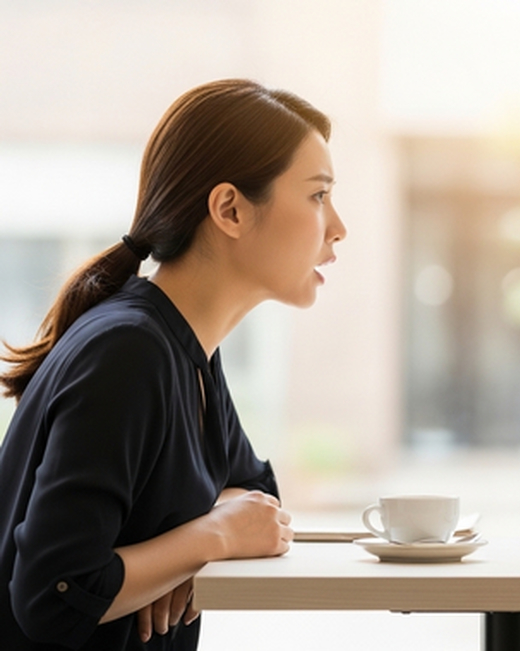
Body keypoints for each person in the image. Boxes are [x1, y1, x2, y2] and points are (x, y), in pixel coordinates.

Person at [0, 79, 346, 650]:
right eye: (318, 195)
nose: (338, 227)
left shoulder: (188, 348)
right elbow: (53, 597)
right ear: (230, 209)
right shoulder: (129, 354)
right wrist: (208, 540)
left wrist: (184, 547)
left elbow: (256, 496)